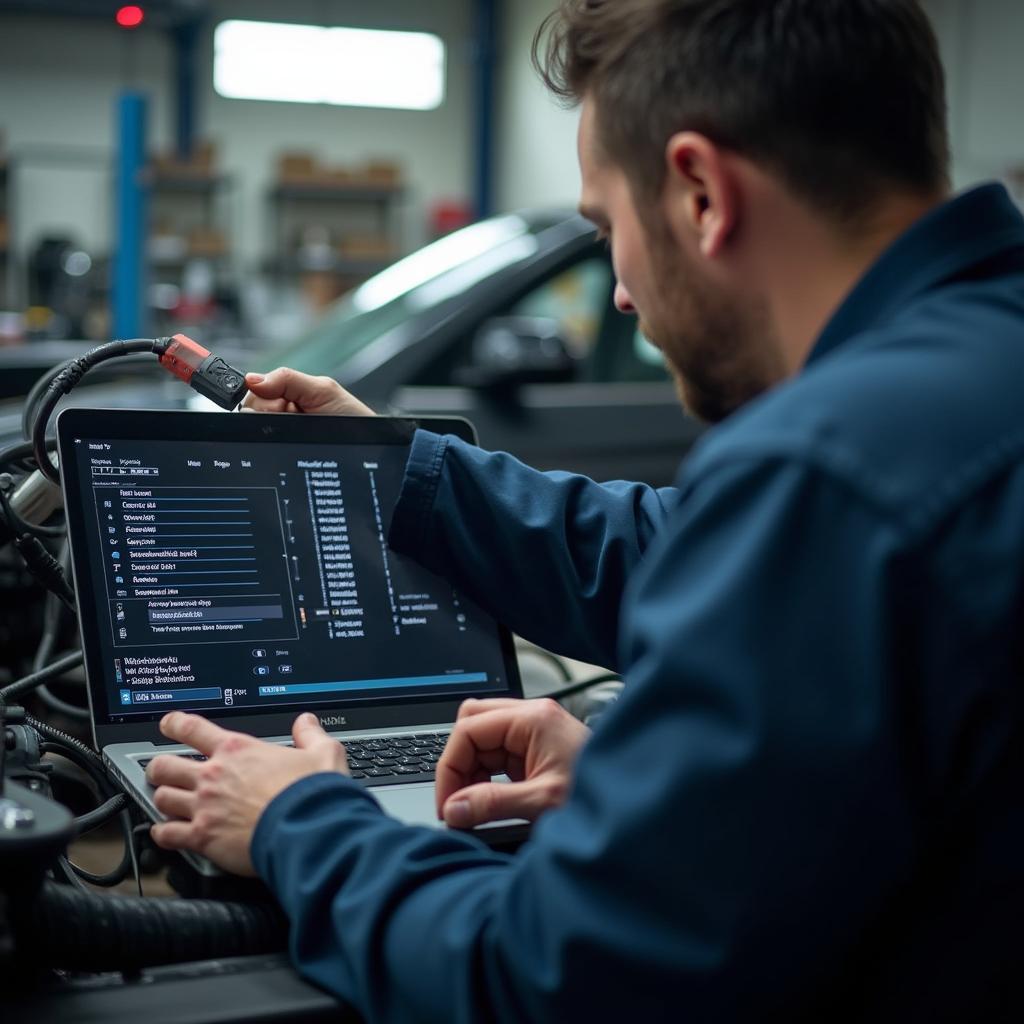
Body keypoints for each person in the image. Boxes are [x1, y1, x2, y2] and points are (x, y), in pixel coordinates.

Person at [146, 1, 1024, 1020]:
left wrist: (300, 820)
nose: (617, 293)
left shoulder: (828, 472)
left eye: (608, 228)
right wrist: (382, 462)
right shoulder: (966, 379)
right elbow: (673, 552)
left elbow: (550, 976)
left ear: (699, 192)